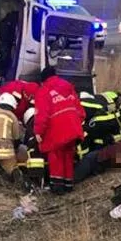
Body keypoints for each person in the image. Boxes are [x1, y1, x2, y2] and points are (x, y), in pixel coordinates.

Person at [33, 66, 85, 194]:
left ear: (43, 79)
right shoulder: (68, 86)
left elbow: (42, 116)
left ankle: (57, 188)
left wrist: (38, 132)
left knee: (55, 156)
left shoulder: (44, 90)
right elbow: (80, 111)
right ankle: (68, 185)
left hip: (57, 129)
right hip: (74, 127)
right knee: (68, 155)